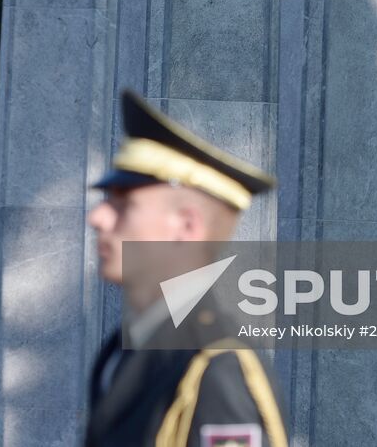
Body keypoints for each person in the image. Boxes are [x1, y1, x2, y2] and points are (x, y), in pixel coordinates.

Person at [84, 89, 287, 447]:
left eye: (123, 205)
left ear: (187, 226)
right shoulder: (122, 348)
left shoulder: (217, 366)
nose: (97, 217)